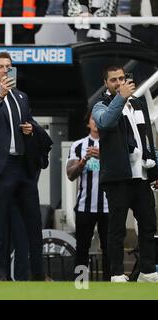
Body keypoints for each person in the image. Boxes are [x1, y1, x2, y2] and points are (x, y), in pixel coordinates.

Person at [0, 52, 45, 281]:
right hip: (0, 168)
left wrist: (30, 128)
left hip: (22, 165)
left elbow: (30, 120)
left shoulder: (22, 96)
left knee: (33, 222)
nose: (5, 70)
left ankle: (38, 275)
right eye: (1, 66)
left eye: (9, 66)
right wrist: (0, 95)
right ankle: (0, 274)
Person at [92, 65, 158, 282]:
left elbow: (146, 139)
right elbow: (106, 122)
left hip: (141, 176)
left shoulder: (138, 104)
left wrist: (155, 170)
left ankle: (147, 271)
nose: (119, 83)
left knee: (148, 225)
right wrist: (120, 98)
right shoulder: (101, 105)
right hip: (118, 177)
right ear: (106, 83)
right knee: (117, 228)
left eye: (122, 78)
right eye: (114, 80)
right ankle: (117, 273)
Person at [66, 109, 110, 281]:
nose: (96, 121)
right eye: (93, 118)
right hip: (85, 205)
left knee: (109, 248)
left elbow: (121, 169)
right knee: (82, 248)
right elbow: (70, 174)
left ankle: (109, 285)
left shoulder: (113, 145)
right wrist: (83, 161)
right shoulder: (78, 145)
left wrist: (102, 156)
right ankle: (81, 284)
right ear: (88, 122)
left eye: (101, 118)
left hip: (109, 206)